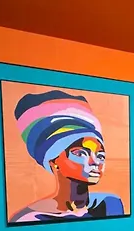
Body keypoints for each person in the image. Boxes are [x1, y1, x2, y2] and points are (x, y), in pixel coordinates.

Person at [9, 90, 124, 223]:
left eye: (100, 156)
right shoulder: (31, 218)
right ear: (53, 161)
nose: (95, 162)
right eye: (80, 153)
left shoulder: (110, 204)